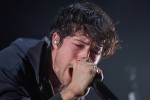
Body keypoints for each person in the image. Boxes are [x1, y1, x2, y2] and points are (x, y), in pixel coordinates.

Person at [0, 2, 119, 100]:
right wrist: (70, 93)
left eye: (95, 51)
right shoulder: (11, 66)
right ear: (56, 40)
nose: (86, 57)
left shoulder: (75, 84)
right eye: (78, 45)